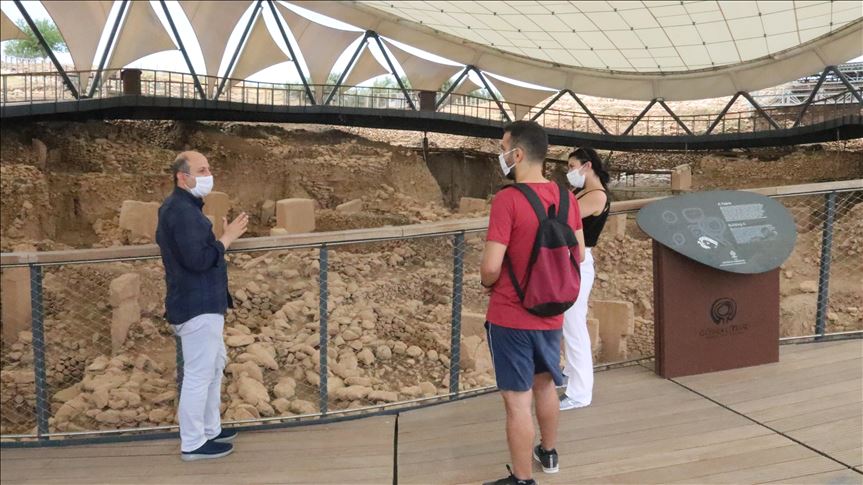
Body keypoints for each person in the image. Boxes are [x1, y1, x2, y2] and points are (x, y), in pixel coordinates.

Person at [481, 121, 585, 485]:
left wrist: (486, 281)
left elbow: (492, 266)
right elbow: (581, 254)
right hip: (551, 310)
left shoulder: (507, 200)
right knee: (545, 384)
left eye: (503, 147)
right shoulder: (567, 198)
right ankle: (550, 452)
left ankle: (523, 480)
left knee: (516, 400)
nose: (501, 155)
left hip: (511, 314)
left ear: (518, 154)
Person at [156, 151, 249, 461]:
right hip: (196, 304)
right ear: (183, 177)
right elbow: (198, 260)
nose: (209, 174)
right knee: (198, 373)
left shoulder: (184, 208)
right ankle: (193, 443)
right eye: (202, 169)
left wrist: (218, 238)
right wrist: (227, 238)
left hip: (202, 302)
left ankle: (210, 428)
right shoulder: (181, 212)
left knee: (212, 366)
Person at [559, 147, 611, 411]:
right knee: (568, 320)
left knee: (574, 323)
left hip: (580, 261)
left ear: (587, 166)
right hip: (570, 259)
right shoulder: (584, 192)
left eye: (572, 166)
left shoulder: (597, 196)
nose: (570, 172)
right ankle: (569, 373)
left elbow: (563, 217)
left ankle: (580, 392)